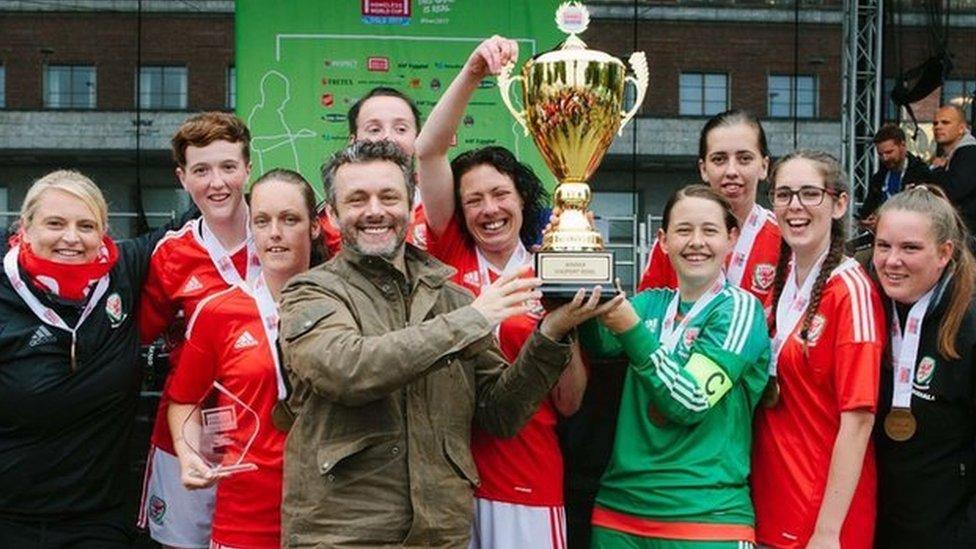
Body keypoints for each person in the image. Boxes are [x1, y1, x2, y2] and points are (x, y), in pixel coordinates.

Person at [277, 139, 622, 547]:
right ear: (332, 214)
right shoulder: (310, 292)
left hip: (440, 533)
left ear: (410, 206)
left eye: (389, 196)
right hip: (343, 534)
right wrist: (473, 319)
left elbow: (500, 413)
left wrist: (551, 332)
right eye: (357, 199)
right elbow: (346, 370)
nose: (375, 211)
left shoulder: (450, 296)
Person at [415, 35, 588, 548]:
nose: (488, 209)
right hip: (450, 480)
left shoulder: (549, 268)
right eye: (474, 200)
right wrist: (472, 74)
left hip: (527, 478)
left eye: (500, 194)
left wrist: (562, 316)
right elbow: (427, 150)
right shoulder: (450, 255)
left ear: (522, 199)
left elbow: (571, 402)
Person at [0, 170, 190, 547]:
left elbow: (206, 213)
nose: (71, 237)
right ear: (26, 226)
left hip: (98, 520)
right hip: (8, 518)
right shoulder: (5, 291)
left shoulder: (123, 272)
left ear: (103, 232)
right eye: (55, 223)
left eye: (86, 225)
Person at [576, 184, 770, 547]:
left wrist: (631, 329)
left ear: (731, 238)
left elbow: (690, 400)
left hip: (705, 518)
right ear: (663, 241)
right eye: (684, 230)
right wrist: (579, 257)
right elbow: (597, 342)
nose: (696, 241)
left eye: (709, 230)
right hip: (620, 513)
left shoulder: (740, 310)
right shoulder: (650, 303)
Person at [167, 169, 322, 549]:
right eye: (263, 221)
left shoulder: (345, 306)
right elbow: (184, 399)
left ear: (315, 227)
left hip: (331, 514)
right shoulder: (219, 312)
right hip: (246, 518)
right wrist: (188, 457)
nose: (275, 233)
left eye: (290, 219)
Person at [752, 150, 885, 548]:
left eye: (810, 193)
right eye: (783, 194)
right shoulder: (782, 280)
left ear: (839, 203)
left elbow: (858, 420)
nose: (795, 206)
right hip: (772, 504)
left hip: (822, 519)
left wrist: (828, 533)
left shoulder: (851, 291)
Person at [138, 112, 256, 549]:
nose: (217, 182)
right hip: (187, 430)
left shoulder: (283, 234)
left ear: (248, 167)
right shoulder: (171, 254)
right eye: (201, 170)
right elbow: (141, 334)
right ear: (182, 178)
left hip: (266, 430)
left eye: (228, 167)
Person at [871, 185, 976, 547]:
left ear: (945, 253)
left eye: (910, 248)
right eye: (883, 245)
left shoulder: (969, 323)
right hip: (879, 525)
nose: (891, 260)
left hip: (947, 530)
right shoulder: (870, 305)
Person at [638, 109, 781, 300]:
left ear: (763, 167)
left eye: (744, 159)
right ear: (704, 169)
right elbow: (645, 314)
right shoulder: (674, 241)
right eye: (719, 159)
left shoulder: (784, 239)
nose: (731, 171)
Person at [317, 86, 428, 253]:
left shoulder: (439, 213)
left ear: (417, 139)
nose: (388, 138)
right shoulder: (325, 223)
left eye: (401, 129)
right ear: (353, 141)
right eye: (374, 129)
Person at [857, 123, 931, 227]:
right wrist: (865, 220)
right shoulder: (878, 177)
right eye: (880, 154)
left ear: (903, 145)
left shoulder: (921, 173)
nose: (885, 158)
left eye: (889, 152)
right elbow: (867, 209)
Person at [930, 104, 976, 236]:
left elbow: (952, 191)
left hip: (967, 235)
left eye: (945, 122)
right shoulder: (954, 155)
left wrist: (937, 170)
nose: (938, 126)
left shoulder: (969, 153)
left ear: (962, 128)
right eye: (935, 123)